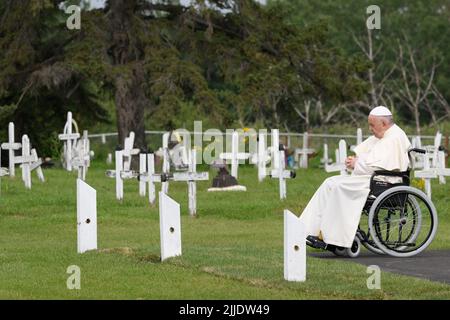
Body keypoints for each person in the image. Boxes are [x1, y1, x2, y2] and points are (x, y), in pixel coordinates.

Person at [299, 106, 411, 249]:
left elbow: (382, 166)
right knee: (330, 182)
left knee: (339, 187)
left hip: (385, 181)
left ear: (383, 123)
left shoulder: (394, 137)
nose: (370, 129)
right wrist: (356, 160)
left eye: (372, 125)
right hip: (374, 178)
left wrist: (357, 164)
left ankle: (334, 239)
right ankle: (306, 229)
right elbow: (370, 158)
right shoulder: (384, 134)